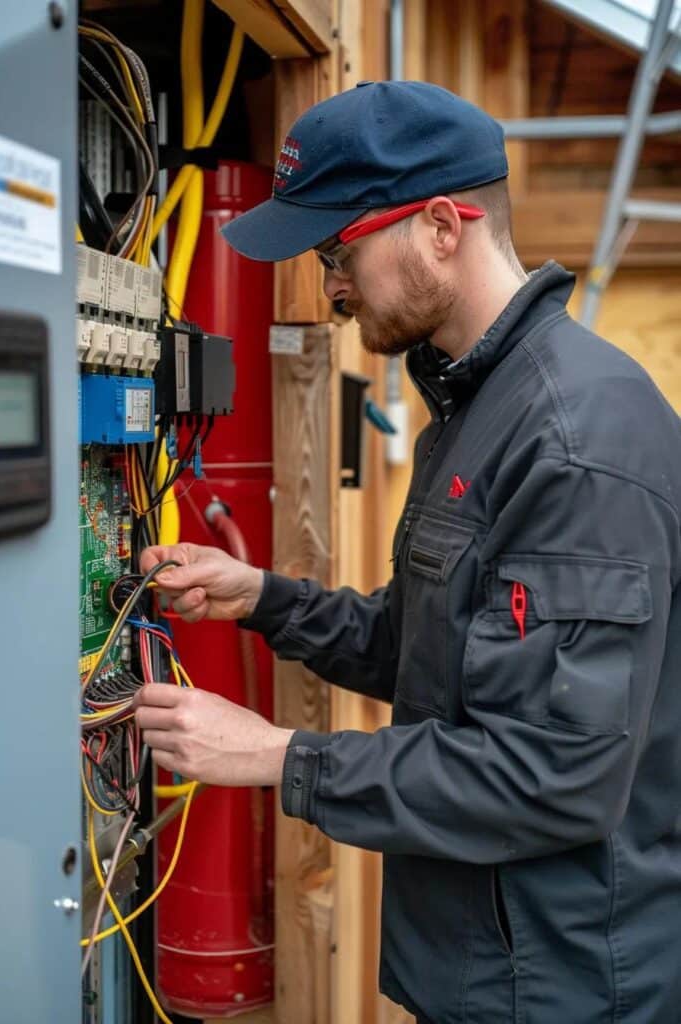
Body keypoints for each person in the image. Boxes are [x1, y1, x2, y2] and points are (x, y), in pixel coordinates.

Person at [134, 81, 681, 1023]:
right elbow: (434, 654)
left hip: (562, 987)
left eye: (337, 251)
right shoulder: (475, 408)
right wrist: (263, 596)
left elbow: (555, 777)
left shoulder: (572, 438)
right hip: (481, 966)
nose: (329, 287)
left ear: (437, 226)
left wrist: (279, 754)